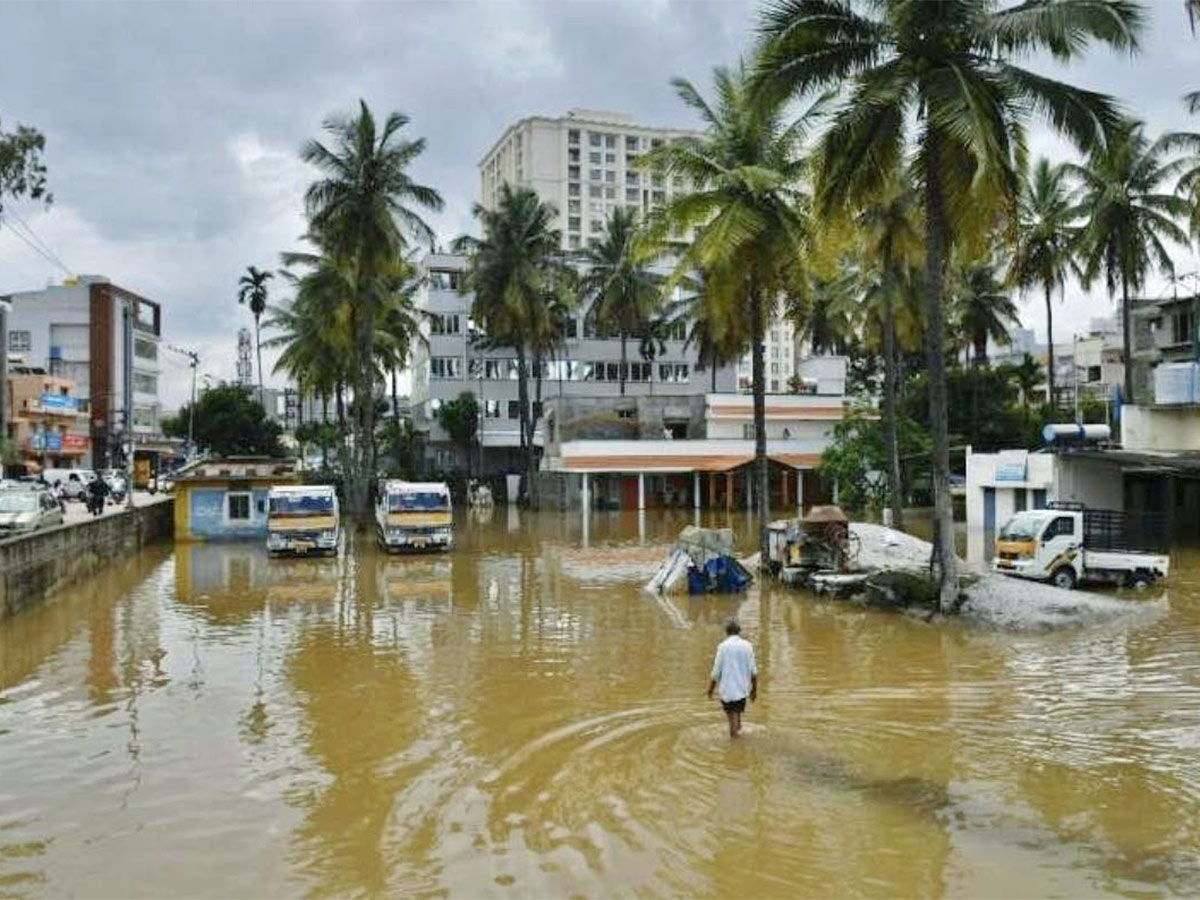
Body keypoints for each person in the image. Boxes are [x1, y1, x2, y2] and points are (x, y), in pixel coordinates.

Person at [707, 618, 758, 738]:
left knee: (732, 717)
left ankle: (735, 746)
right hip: (742, 689)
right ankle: (738, 735)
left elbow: (716, 672)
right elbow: (753, 671)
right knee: (737, 714)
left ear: (726, 632)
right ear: (739, 631)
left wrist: (710, 689)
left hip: (728, 690)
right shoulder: (747, 646)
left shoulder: (723, 647)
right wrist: (754, 690)